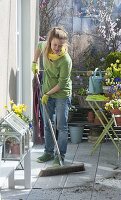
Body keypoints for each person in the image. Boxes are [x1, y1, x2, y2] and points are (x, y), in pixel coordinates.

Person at [32, 27, 72, 166]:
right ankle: (48, 153)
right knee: (48, 124)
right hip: (47, 91)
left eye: (60, 46)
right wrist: (34, 63)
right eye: (55, 45)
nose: (57, 48)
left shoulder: (65, 60)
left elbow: (61, 84)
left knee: (61, 126)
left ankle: (60, 155)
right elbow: (38, 45)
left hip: (61, 94)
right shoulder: (45, 47)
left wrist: (47, 94)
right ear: (50, 42)